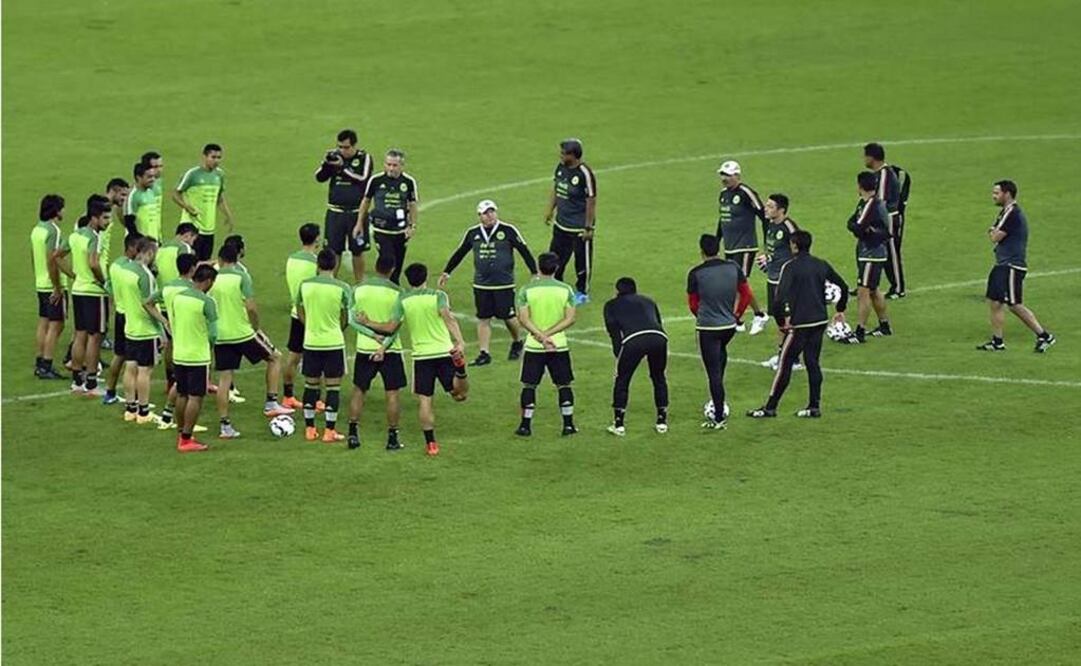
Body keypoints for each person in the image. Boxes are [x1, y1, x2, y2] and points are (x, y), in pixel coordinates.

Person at [358, 263, 469, 456]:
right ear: (426, 277)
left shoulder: (403, 299)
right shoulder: (438, 296)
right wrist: (460, 341)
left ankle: (431, 444)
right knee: (460, 395)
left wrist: (368, 322)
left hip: (421, 357)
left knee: (425, 401)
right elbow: (448, 318)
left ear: (408, 280)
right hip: (443, 352)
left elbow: (391, 327)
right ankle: (460, 370)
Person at [747, 230, 849, 418]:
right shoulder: (821, 264)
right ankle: (814, 406)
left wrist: (781, 322)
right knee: (812, 363)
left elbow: (779, 299)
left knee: (784, 364)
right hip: (819, 320)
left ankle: (770, 407)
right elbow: (843, 286)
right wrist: (840, 309)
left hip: (799, 324)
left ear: (794, 245)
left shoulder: (790, 267)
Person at [209, 243, 292, 439]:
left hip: (221, 335)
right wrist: (256, 327)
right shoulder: (241, 277)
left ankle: (225, 426)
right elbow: (251, 308)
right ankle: (271, 403)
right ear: (236, 260)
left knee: (224, 379)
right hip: (242, 332)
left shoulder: (211, 278)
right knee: (275, 358)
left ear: (220, 260)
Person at [440, 199, 535, 366]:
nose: (490, 215)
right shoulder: (473, 233)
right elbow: (460, 252)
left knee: (508, 316)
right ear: (480, 216)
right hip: (481, 283)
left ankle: (517, 341)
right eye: (486, 213)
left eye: (492, 211)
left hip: (503, 283)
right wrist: (447, 271)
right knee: (483, 317)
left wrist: (535, 272)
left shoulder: (508, 230)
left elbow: (524, 251)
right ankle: (484, 353)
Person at [977, 180, 1056, 352]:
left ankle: (1044, 336)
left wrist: (992, 231)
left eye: (996, 193)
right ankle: (997, 342)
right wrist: (994, 231)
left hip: (1012, 265)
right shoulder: (1005, 212)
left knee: (1014, 304)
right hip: (1002, 264)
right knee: (995, 302)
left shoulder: (1012, 213)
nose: (994, 196)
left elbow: (995, 236)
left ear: (1007, 194)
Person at [687, 234, 751, 430]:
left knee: (713, 372)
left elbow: (693, 303)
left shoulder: (696, 273)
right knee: (720, 357)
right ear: (719, 248)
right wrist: (737, 315)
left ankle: (718, 414)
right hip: (728, 327)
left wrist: (702, 315)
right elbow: (746, 294)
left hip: (708, 328)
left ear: (701, 251)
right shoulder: (733, 267)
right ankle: (717, 399)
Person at [514, 252, 578, 437]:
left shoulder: (526, 290)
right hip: (558, 345)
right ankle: (568, 425)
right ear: (556, 268)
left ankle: (525, 426)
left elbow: (523, 319)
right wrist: (549, 336)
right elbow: (570, 318)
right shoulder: (566, 290)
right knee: (564, 385)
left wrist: (541, 336)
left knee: (529, 385)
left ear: (538, 267)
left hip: (534, 346)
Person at [347, 255, 406, 451]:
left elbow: (353, 320)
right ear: (392, 269)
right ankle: (392, 438)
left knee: (359, 390)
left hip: (365, 348)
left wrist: (371, 335)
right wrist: (382, 344)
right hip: (391, 350)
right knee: (392, 394)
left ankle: (353, 434)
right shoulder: (399, 293)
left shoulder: (358, 289)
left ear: (376, 267)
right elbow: (395, 327)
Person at [295, 249, 353, 443]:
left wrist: (309, 325)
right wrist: (339, 327)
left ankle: (310, 429)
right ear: (334, 265)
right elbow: (347, 316)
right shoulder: (343, 287)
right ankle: (329, 431)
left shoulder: (305, 285)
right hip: (334, 342)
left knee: (310, 385)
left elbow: (300, 310)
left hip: (311, 342)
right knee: (333, 388)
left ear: (317, 265)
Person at [602, 277, 668, 436]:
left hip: (633, 340)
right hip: (659, 337)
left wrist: (619, 357)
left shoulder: (611, 305)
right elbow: (658, 322)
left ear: (617, 290)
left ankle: (619, 424)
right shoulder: (648, 300)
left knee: (622, 379)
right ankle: (662, 422)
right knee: (658, 377)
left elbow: (614, 334)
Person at [113, 237, 166, 424]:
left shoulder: (124, 270)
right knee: (145, 371)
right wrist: (163, 325)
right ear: (149, 253)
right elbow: (148, 305)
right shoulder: (145, 276)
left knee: (130, 367)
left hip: (130, 327)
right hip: (146, 329)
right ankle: (144, 413)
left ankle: (130, 409)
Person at [715, 159, 770, 335]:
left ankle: (751, 316)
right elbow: (722, 217)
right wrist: (717, 240)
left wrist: (766, 243)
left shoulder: (746, 192)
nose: (724, 179)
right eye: (722, 175)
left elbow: (763, 214)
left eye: (728, 175)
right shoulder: (723, 194)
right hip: (730, 246)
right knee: (735, 282)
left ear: (737, 175)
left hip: (745, 245)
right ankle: (746, 316)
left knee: (740, 281)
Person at [152, 253, 206, 433]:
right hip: (190, 337)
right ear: (192, 269)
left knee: (180, 381)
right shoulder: (192, 289)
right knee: (188, 387)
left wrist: (164, 321)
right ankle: (178, 422)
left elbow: (147, 303)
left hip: (175, 333)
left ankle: (168, 414)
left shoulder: (168, 286)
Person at [168, 265, 219, 452]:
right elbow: (214, 334)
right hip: (197, 356)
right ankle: (187, 439)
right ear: (207, 281)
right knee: (195, 397)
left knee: (181, 393)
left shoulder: (178, 297)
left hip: (179, 353)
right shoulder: (207, 302)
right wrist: (209, 347)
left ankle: (182, 432)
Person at [543, 138, 596, 304]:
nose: (560, 156)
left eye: (563, 153)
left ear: (573, 155)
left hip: (579, 226)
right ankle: (556, 283)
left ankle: (582, 291)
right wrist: (550, 210)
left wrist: (588, 227)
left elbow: (591, 200)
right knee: (556, 256)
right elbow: (557, 189)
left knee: (582, 260)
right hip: (561, 223)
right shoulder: (561, 168)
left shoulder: (584, 173)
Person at [68, 196, 112, 396]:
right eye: (105, 218)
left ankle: (77, 380)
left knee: (80, 334)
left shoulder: (75, 235)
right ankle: (92, 383)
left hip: (78, 289)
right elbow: (94, 263)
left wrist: (73, 274)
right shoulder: (94, 237)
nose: (108, 221)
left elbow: (57, 255)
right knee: (95, 337)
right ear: (94, 217)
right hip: (94, 292)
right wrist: (103, 282)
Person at [354, 149, 418, 284]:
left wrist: (412, 226)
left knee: (397, 266)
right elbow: (366, 201)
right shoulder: (376, 180)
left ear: (402, 166)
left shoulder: (408, 182)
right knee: (388, 260)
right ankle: (383, 288)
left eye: (394, 165)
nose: (391, 168)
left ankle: (393, 289)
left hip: (401, 231)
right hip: (381, 230)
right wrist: (359, 223)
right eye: (388, 164)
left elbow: (412, 205)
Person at [316, 129, 373, 280]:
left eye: (346, 147)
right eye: (340, 146)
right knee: (334, 250)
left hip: (356, 213)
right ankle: (330, 282)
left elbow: (363, 179)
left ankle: (359, 283)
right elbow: (319, 177)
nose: (342, 150)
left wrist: (342, 168)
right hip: (335, 212)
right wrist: (327, 165)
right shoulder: (336, 157)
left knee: (357, 250)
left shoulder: (364, 158)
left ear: (354, 146)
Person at [844, 171, 892, 343]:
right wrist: (859, 229)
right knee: (873, 290)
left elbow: (857, 226)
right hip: (870, 252)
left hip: (872, 253)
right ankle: (884, 326)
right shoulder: (864, 203)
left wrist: (862, 230)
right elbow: (851, 223)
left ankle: (860, 332)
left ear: (860, 186)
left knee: (863, 291)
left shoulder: (871, 204)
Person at [757, 194, 801, 370]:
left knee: (789, 320)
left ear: (781, 210)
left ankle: (794, 359)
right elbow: (775, 250)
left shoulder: (789, 227)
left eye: (770, 206)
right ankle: (783, 354)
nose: (766, 209)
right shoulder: (770, 225)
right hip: (773, 278)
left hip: (786, 281)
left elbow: (800, 250)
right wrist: (767, 259)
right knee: (780, 319)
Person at [31, 194, 70, 380]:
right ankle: (46, 364)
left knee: (44, 322)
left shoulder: (36, 230)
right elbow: (52, 260)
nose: (64, 211)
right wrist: (57, 287)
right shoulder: (53, 231)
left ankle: (40, 362)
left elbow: (35, 258)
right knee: (57, 324)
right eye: (62, 208)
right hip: (52, 284)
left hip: (40, 282)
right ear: (56, 211)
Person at [282, 223, 321, 410]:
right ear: (317, 239)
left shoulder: (291, 260)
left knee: (293, 356)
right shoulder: (316, 263)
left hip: (296, 312)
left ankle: (287, 396)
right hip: (312, 315)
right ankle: (315, 398)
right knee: (317, 357)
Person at [171, 143, 233, 262]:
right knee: (190, 263)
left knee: (204, 263)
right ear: (204, 157)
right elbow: (175, 193)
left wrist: (228, 215)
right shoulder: (192, 174)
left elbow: (219, 197)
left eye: (219, 157)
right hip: (192, 228)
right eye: (213, 157)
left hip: (209, 228)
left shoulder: (219, 175)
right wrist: (187, 207)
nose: (216, 161)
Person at [864, 143, 909, 298]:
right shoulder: (880, 174)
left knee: (892, 252)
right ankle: (868, 284)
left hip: (889, 217)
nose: (864, 160)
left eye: (865, 156)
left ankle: (898, 288)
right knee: (884, 252)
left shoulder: (884, 175)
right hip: (886, 216)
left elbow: (881, 202)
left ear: (871, 157)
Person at [102, 233, 142, 405]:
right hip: (132, 315)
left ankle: (110, 392)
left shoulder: (115, 265)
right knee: (136, 360)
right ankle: (136, 399)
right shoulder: (131, 269)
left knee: (119, 355)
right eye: (139, 248)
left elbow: (108, 287)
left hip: (120, 312)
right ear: (131, 247)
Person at [99, 178, 130, 352]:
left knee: (107, 303)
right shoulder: (100, 211)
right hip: (96, 267)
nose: (125, 199)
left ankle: (101, 338)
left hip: (103, 264)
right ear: (114, 190)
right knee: (101, 307)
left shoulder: (109, 209)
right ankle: (72, 357)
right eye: (123, 195)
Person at [124, 162, 160, 241]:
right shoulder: (133, 195)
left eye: (154, 176)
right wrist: (139, 241)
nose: (153, 179)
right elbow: (129, 221)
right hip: (140, 243)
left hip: (153, 240)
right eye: (149, 177)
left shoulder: (151, 192)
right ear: (139, 177)